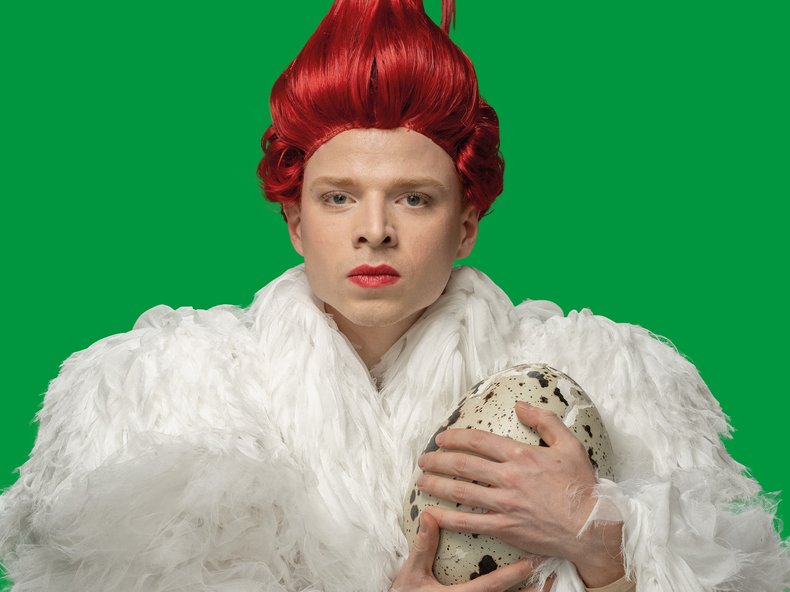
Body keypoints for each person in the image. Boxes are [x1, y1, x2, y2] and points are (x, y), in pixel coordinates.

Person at [1, 1, 788, 591]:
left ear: (466, 224)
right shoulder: (164, 392)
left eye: (414, 198)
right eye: (339, 198)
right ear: (296, 222)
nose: (374, 231)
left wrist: (600, 542)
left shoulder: (607, 374)